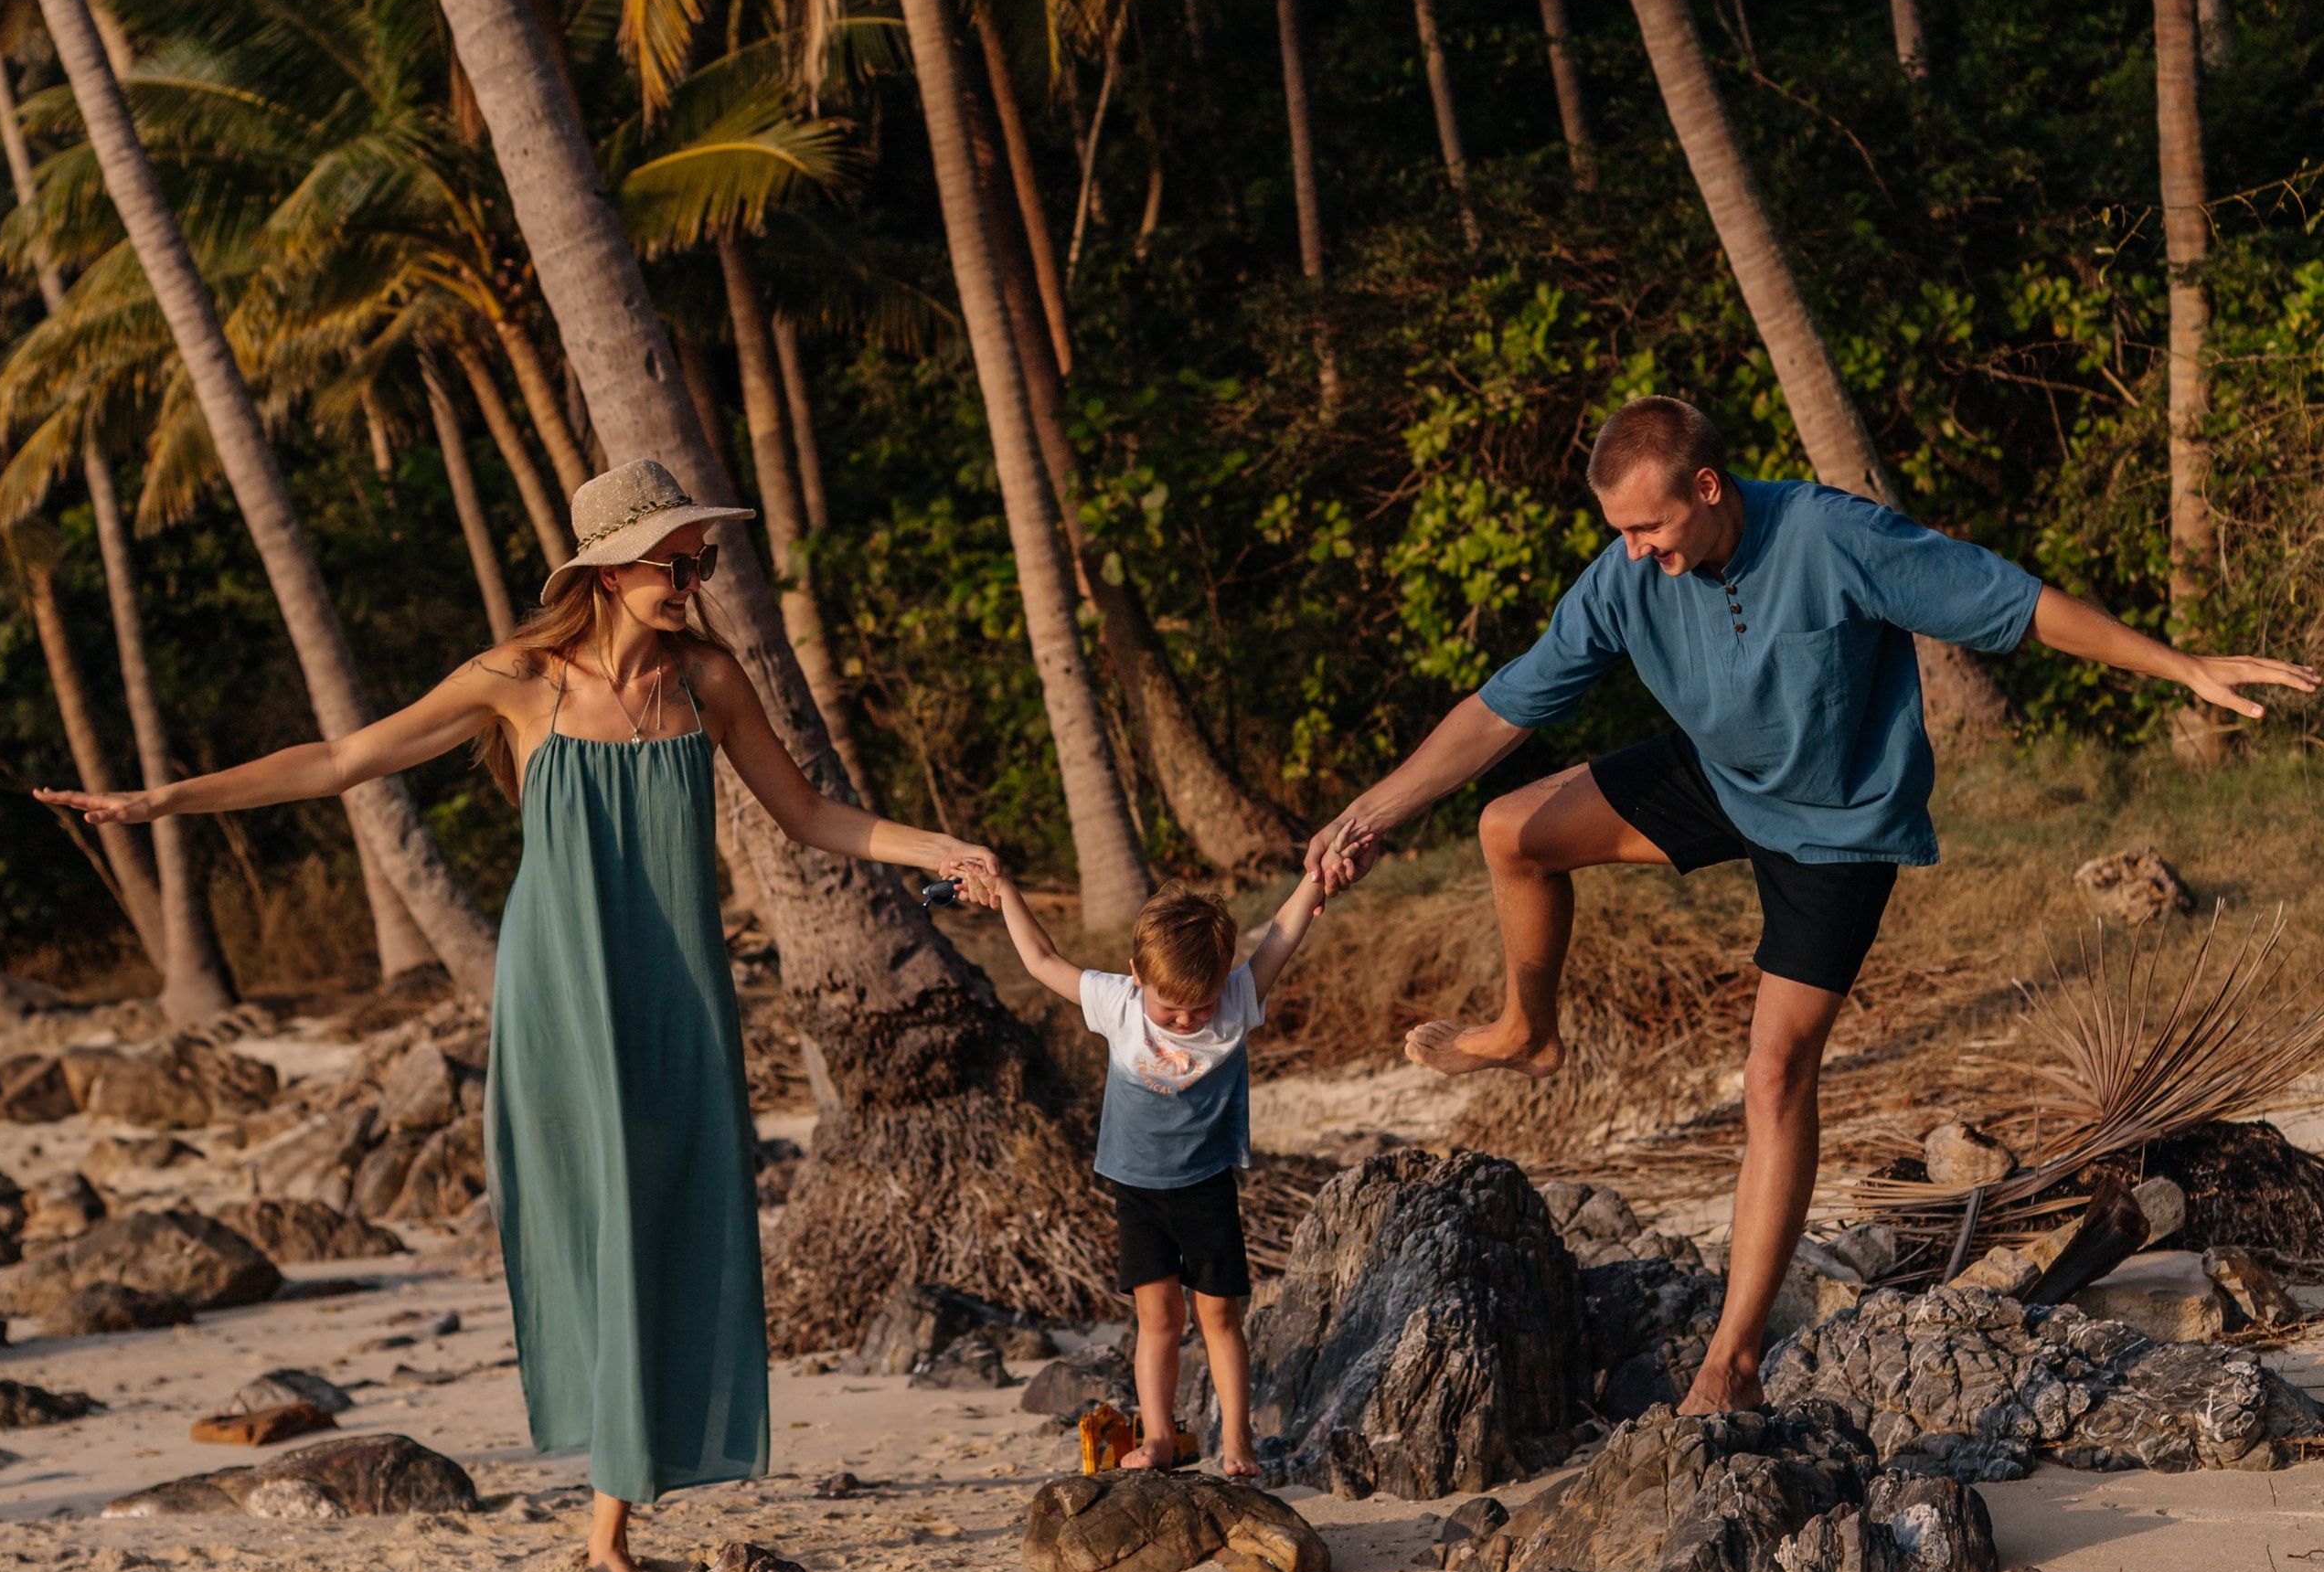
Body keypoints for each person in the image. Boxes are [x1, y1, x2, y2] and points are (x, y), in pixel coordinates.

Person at [37, 460, 997, 1572]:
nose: (693, 578)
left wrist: (941, 847)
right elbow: (342, 760)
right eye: (674, 561)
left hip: (678, 989)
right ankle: (611, 1519)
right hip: (558, 987)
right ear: (609, 569)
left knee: (674, 1208)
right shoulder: (521, 681)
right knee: (593, 1216)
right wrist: (164, 801)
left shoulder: (705, 682)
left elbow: (808, 813)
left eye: (701, 559)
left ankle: (616, 1510)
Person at [1310, 395, 2317, 1416]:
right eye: (1620, 531)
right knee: (1510, 831)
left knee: (1773, 1073)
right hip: (1723, 776)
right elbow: (1502, 707)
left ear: (1708, 487)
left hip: (1837, 828)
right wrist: (1370, 811)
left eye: (1648, 526)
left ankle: (1732, 1365)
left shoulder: (1832, 536)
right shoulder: (1626, 576)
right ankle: (1527, 1032)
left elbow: (2018, 605)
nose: (1635, 550)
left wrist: (2182, 665)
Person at [973, 862, 1338, 1478]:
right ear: (1138, 975)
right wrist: (1006, 889)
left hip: (1207, 1187)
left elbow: (1281, 934)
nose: (1188, 1021)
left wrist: (1316, 879)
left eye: (1201, 1007)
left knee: (1219, 1317)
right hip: (1137, 1190)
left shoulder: (1237, 1000)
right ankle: (1161, 1438)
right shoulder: (1118, 1003)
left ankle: (1238, 1442)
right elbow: (1041, 960)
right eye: (1171, 1009)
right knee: (1158, 1319)